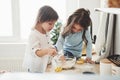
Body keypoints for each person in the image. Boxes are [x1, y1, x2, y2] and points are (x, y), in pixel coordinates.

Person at [23, 5, 58, 73]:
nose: (52, 26)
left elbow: (47, 45)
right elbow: (36, 52)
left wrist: (52, 49)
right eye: (50, 23)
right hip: (35, 68)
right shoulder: (34, 35)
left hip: (44, 66)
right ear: (40, 20)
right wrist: (48, 51)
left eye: (54, 24)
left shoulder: (46, 32)